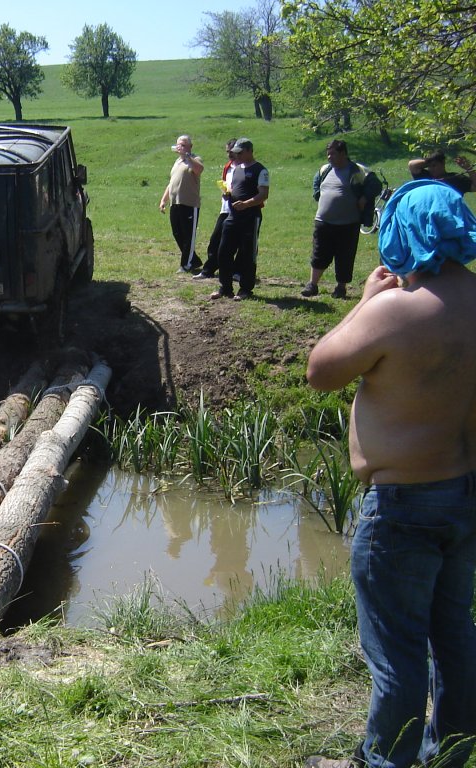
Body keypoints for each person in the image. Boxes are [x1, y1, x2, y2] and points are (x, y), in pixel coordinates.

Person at [305, 179, 476, 768]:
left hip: (403, 504)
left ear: (405, 233)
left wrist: (364, 303)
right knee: (454, 634)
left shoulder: (397, 312)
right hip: (465, 493)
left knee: (397, 651)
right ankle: (450, 753)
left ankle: (383, 762)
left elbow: (321, 371)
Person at [302, 140, 380, 300]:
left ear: (343, 153)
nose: (329, 157)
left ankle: (341, 287)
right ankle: (312, 284)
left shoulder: (358, 170)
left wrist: (364, 197)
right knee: (319, 253)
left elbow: (376, 184)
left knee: (345, 256)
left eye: (333, 153)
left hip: (348, 223)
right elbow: (316, 186)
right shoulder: (325, 170)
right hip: (323, 221)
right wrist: (320, 195)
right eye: (328, 154)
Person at [211, 138, 268, 301]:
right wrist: (228, 195)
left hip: (250, 217)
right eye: (235, 153)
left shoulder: (260, 170)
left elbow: (263, 194)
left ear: (250, 151)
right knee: (223, 251)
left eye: (240, 153)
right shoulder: (236, 170)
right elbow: (236, 190)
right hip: (232, 216)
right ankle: (225, 287)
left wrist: (247, 204)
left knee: (247, 254)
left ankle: (245, 289)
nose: (237, 156)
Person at [193, 138, 238, 281]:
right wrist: (224, 191)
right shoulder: (228, 167)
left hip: (240, 210)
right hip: (225, 209)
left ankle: (236, 272)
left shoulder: (244, 167)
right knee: (215, 240)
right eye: (227, 152)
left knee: (237, 243)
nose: (229, 155)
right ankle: (208, 270)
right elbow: (225, 183)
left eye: (231, 152)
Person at [159, 134, 205, 273]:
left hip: (189, 203)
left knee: (188, 234)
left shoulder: (194, 159)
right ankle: (194, 260)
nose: (180, 147)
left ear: (190, 147)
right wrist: (163, 200)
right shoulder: (177, 162)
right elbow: (171, 183)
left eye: (184, 145)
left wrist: (187, 156)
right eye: (179, 144)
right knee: (177, 233)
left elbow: (199, 169)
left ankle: (186, 264)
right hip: (175, 203)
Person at [407, 151, 476, 195]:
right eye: (429, 166)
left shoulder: (456, 178)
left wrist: (469, 169)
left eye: (434, 165)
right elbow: (412, 165)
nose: (431, 169)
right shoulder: (425, 177)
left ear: (443, 163)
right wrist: (429, 160)